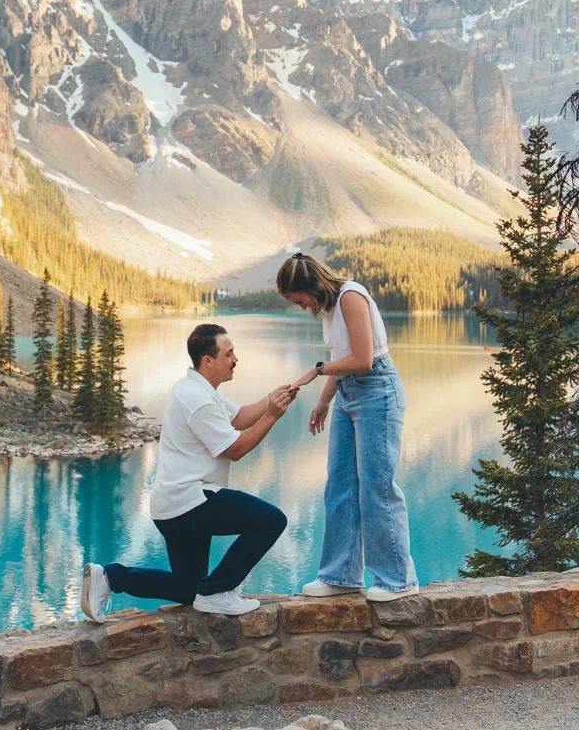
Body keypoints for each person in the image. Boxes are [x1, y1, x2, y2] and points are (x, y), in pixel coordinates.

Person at [80, 323, 296, 620]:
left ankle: (110, 577)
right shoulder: (197, 399)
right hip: (191, 500)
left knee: (187, 589)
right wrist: (272, 416)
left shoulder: (198, 389)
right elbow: (234, 449)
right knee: (271, 521)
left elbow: (241, 418)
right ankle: (218, 591)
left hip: (174, 505)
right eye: (229, 353)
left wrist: (271, 398)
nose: (236, 359)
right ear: (208, 361)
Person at [278, 252, 418, 602]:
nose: (299, 306)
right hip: (347, 393)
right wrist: (325, 401)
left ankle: (398, 580)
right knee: (340, 485)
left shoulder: (351, 296)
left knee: (377, 487)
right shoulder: (328, 307)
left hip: (376, 394)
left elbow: (363, 359)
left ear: (310, 285)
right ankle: (340, 576)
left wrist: (317, 370)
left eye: (298, 298)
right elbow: (345, 358)